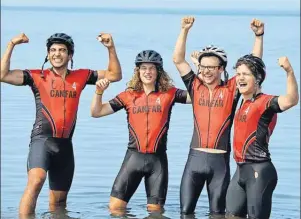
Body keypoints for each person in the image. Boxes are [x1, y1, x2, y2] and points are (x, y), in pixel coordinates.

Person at [0, 32, 122, 216]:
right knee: (36, 180)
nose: (57, 54)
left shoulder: (82, 76)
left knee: (58, 204)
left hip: (65, 146)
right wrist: (11, 44)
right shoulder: (36, 76)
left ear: (70, 55)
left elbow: (115, 75)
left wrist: (110, 48)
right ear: (48, 54)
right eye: (53, 50)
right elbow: (3, 75)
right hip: (42, 140)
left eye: (62, 50)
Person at [172, 16, 264, 215]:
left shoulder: (232, 89)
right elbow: (178, 59)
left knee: (217, 213)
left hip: (219, 164)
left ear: (221, 69)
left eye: (211, 67)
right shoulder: (195, 86)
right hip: (194, 160)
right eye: (203, 67)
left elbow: (253, 67)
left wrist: (258, 37)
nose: (206, 71)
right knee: (185, 213)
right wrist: (184, 30)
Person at [90, 50, 191, 212]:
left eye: (152, 68)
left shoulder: (169, 94)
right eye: (143, 68)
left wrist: (199, 69)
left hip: (157, 162)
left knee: (155, 213)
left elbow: (198, 97)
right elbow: (96, 112)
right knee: (115, 209)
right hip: (133, 158)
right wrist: (98, 92)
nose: (148, 72)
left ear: (159, 71)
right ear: (138, 71)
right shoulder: (128, 96)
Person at [226, 55, 299, 219]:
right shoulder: (243, 102)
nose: (240, 78)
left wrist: (289, 71)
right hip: (240, 170)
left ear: (258, 78)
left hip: (259, 171)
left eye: (246, 74)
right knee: (230, 216)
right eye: (238, 74)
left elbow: (292, 100)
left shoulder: (266, 103)